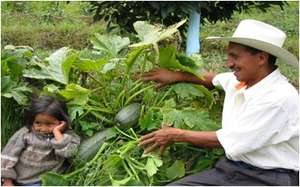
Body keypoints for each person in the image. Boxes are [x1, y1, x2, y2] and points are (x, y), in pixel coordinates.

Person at [139, 19, 299, 186]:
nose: (228, 63)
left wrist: (176, 135)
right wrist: (177, 75)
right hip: (231, 170)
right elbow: (213, 79)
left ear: (261, 58)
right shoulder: (245, 80)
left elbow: (231, 142)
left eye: (235, 57)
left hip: (269, 178)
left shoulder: (278, 98)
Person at [1, 95, 81, 186]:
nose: (43, 129)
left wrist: (57, 132)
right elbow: (8, 155)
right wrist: (7, 180)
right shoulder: (25, 134)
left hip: (43, 182)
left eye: (49, 124)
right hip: (18, 178)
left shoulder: (68, 137)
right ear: (32, 120)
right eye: (38, 123)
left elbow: (68, 153)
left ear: (62, 122)